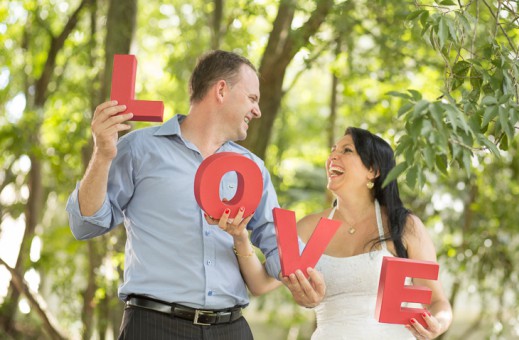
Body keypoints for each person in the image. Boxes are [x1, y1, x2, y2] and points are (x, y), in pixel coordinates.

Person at [66, 50, 325, 339]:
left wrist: (299, 281)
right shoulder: (139, 149)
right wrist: (102, 154)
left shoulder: (253, 169)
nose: (257, 111)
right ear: (222, 90)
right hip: (155, 327)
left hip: (231, 329)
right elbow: (85, 224)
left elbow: (278, 245)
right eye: (252, 98)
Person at [223, 127, 453, 339]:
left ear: (372, 170)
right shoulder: (308, 227)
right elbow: (260, 284)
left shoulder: (403, 225)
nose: (333, 156)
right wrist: (240, 237)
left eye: (347, 150)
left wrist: (437, 324)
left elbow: (439, 302)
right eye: (333, 150)